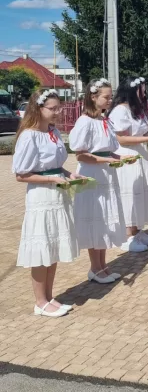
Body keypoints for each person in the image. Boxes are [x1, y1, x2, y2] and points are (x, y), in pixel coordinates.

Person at [12, 90, 80, 317]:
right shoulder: (29, 135)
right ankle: (40, 301)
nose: (58, 112)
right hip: (41, 197)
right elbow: (21, 174)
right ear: (39, 109)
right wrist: (51, 178)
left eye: (59, 108)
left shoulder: (53, 132)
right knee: (42, 249)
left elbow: (56, 165)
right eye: (53, 109)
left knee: (52, 245)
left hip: (58, 195)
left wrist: (69, 174)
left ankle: (50, 297)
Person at [69, 78, 126, 284]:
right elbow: (80, 154)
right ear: (93, 97)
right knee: (96, 219)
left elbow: (107, 149)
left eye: (111, 96)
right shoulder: (85, 121)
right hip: (92, 175)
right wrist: (106, 159)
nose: (110, 100)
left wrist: (118, 158)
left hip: (106, 174)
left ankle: (103, 265)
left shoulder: (104, 119)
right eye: (106, 97)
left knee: (104, 221)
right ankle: (94, 267)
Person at [109, 77, 148, 253]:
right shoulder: (120, 111)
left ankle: (137, 230)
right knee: (129, 193)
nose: (145, 92)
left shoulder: (136, 109)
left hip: (140, 153)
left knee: (140, 192)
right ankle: (126, 235)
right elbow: (122, 138)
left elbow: (138, 131)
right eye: (142, 89)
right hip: (127, 154)